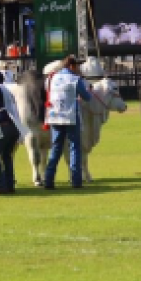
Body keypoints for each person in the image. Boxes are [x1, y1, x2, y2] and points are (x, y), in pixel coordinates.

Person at [43, 54, 93, 189]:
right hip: (70, 116)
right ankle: (76, 181)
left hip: (54, 116)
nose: (78, 69)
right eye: (77, 66)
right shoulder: (75, 79)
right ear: (72, 65)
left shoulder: (51, 78)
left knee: (55, 149)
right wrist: (89, 91)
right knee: (74, 148)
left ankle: (48, 180)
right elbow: (87, 97)